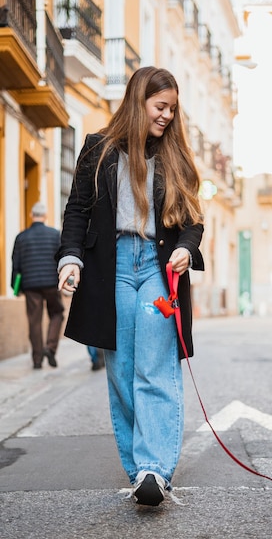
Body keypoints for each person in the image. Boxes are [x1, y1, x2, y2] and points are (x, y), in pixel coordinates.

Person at [56, 67, 204, 507]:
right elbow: (77, 210)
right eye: (161, 107)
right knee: (121, 370)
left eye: (173, 109)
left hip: (158, 268)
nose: (167, 116)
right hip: (111, 265)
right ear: (139, 101)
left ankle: (155, 470)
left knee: (154, 367)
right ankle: (140, 467)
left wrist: (186, 251)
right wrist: (71, 259)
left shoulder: (175, 155)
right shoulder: (97, 149)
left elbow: (193, 220)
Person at [11, 202, 64, 369]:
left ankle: (37, 359)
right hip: (51, 282)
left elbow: (16, 264)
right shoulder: (55, 235)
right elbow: (60, 259)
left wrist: (15, 286)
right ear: (45, 216)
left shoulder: (21, 237)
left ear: (31, 215)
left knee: (34, 321)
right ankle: (50, 347)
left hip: (30, 285)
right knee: (57, 313)